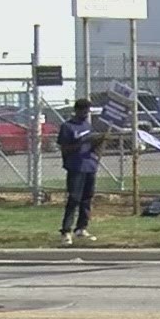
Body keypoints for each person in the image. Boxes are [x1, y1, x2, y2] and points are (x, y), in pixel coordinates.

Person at [55, 97, 101, 246]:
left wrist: (97, 143)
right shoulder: (68, 127)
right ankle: (66, 231)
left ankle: (81, 227)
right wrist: (82, 142)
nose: (85, 114)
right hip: (76, 166)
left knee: (87, 198)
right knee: (74, 198)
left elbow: (92, 145)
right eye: (83, 111)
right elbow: (65, 149)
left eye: (87, 111)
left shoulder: (87, 125)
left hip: (90, 165)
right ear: (77, 110)